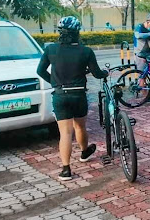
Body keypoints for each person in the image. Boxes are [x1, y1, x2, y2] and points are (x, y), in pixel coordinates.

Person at [37, 16, 108, 181]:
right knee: (80, 127)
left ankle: (66, 170)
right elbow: (97, 74)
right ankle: (84, 152)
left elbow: (40, 71)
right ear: (77, 32)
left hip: (60, 95)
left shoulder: (51, 49)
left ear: (60, 32)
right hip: (79, 95)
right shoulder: (86, 51)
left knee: (65, 133)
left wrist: (55, 83)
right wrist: (106, 73)